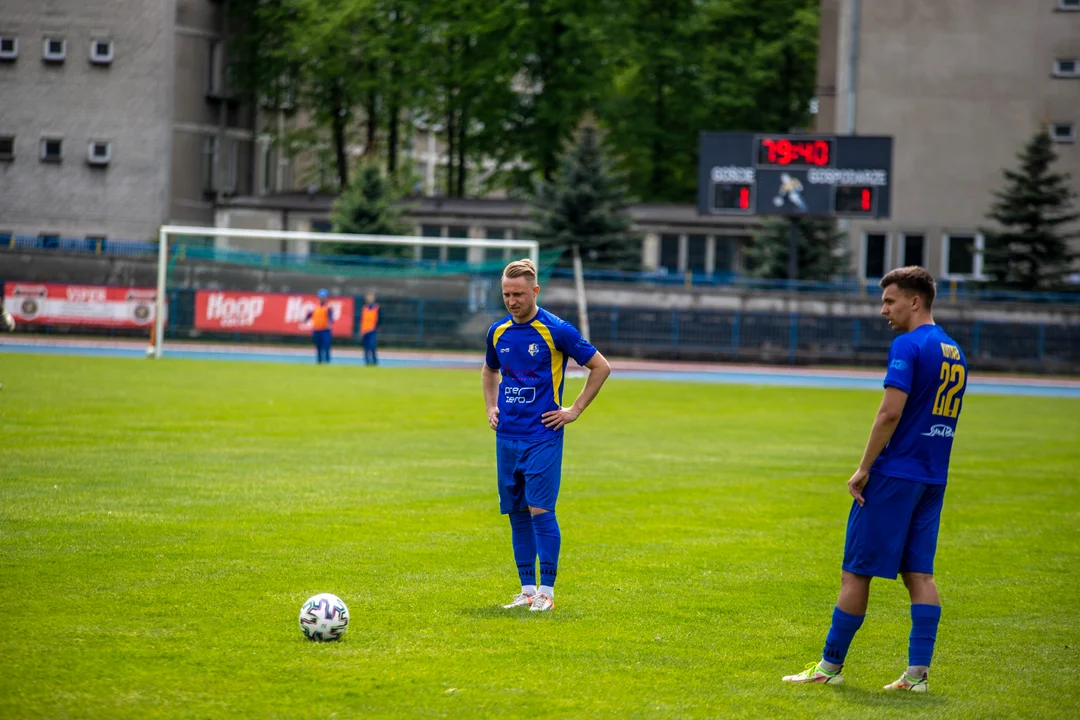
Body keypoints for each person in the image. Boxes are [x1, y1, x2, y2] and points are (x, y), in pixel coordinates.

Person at [782, 266, 967, 692]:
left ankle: (829, 668)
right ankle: (917, 675)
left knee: (855, 572)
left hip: (895, 474)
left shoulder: (908, 344)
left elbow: (889, 412)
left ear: (914, 301)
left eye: (889, 300)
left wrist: (864, 467)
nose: (883, 309)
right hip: (933, 476)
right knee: (919, 574)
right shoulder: (954, 350)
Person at [481, 259, 611, 612]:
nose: (512, 301)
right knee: (517, 512)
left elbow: (601, 366)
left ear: (535, 291)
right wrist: (491, 407)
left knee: (541, 509)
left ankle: (547, 593)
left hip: (543, 434)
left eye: (519, 294)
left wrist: (574, 410)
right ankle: (526, 591)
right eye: (507, 294)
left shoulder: (557, 330)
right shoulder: (497, 332)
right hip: (507, 435)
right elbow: (489, 370)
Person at [304, 289, 334, 364]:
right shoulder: (315, 306)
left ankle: (327, 360)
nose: (322, 298)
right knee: (318, 346)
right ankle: (319, 361)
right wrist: (305, 319)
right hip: (316, 329)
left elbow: (331, 317)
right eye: (321, 296)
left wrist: (329, 323)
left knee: (326, 345)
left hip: (325, 330)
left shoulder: (328, 307)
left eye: (323, 296)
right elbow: (309, 315)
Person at [360, 292, 379, 366]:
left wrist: (376, 327)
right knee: (366, 346)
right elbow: (362, 319)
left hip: (372, 330)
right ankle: (367, 361)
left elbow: (379, 319)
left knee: (372, 345)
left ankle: (374, 361)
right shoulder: (364, 308)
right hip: (365, 330)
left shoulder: (376, 308)